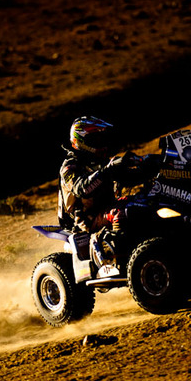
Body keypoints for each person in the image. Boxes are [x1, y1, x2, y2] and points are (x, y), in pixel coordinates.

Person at [57, 116, 143, 272]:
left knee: (143, 202)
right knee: (120, 213)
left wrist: (151, 166)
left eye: (102, 138)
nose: (101, 143)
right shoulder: (69, 166)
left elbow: (129, 178)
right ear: (82, 141)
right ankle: (120, 263)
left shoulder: (99, 162)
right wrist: (108, 170)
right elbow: (81, 188)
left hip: (105, 209)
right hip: (85, 219)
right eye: (96, 139)